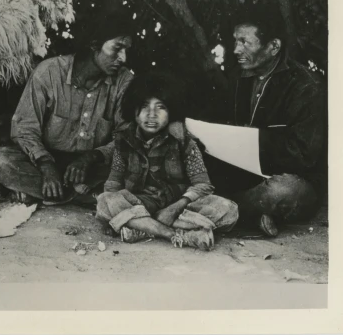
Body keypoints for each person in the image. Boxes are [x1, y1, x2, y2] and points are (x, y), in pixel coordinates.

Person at [0, 12, 135, 205]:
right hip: (46, 160)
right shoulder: (49, 72)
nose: (123, 58)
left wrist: (91, 157)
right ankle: (84, 195)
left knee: (134, 167)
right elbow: (24, 129)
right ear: (94, 44)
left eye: (126, 50)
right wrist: (46, 166)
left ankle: (49, 194)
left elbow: (126, 136)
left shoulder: (124, 81)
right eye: (117, 48)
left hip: (94, 165)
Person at [203, 10, 326, 237]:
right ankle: (251, 215)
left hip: (286, 179)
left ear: (273, 47)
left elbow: (304, 155)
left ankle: (223, 210)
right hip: (243, 177)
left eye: (244, 42)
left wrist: (253, 140)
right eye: (235, 41)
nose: (236, 50)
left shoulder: (305, 86)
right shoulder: (237, 77)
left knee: (285, 193)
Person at [95, 72, 239, 251]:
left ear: (171, 111)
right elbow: (113, 183)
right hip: (139, 204)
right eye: (144, 106)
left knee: (228, 209)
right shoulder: (123, 140)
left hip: (178, 206)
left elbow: (203, 185)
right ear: (134, 109)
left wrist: (174, 208)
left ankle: (140, 227)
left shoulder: (184, 141)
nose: (152, 115)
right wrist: (111, 203)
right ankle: (176, 234)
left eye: (160, 107)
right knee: (104, 201)